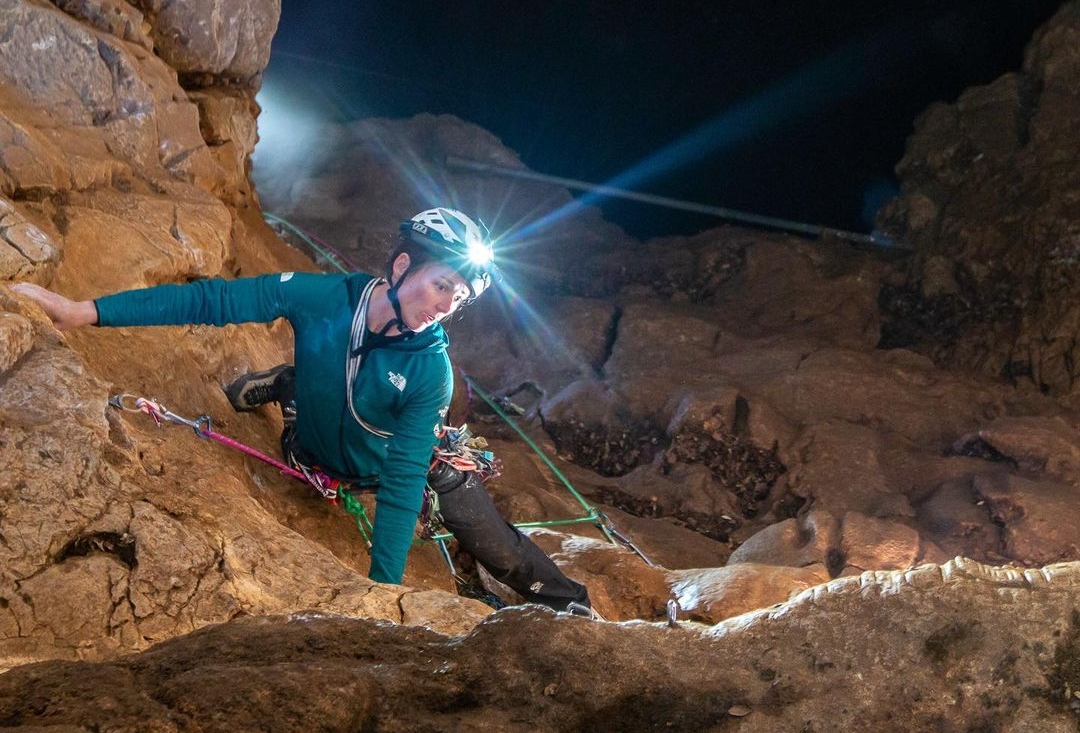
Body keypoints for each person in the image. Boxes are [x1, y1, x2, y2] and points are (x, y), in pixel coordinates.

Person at [12, 207, 592, 614]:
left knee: (496, 546)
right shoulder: (324, 299)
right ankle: (295, 386)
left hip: (385, 460)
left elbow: (402, 481)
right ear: (401, 267)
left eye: (459, 297)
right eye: (442, 285)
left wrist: (383, 591)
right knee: (310, 432)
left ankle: (572, 603)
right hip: (313, 449)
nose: (446, 305)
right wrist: (81, 311)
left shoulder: (430, 371)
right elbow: (214, 300)